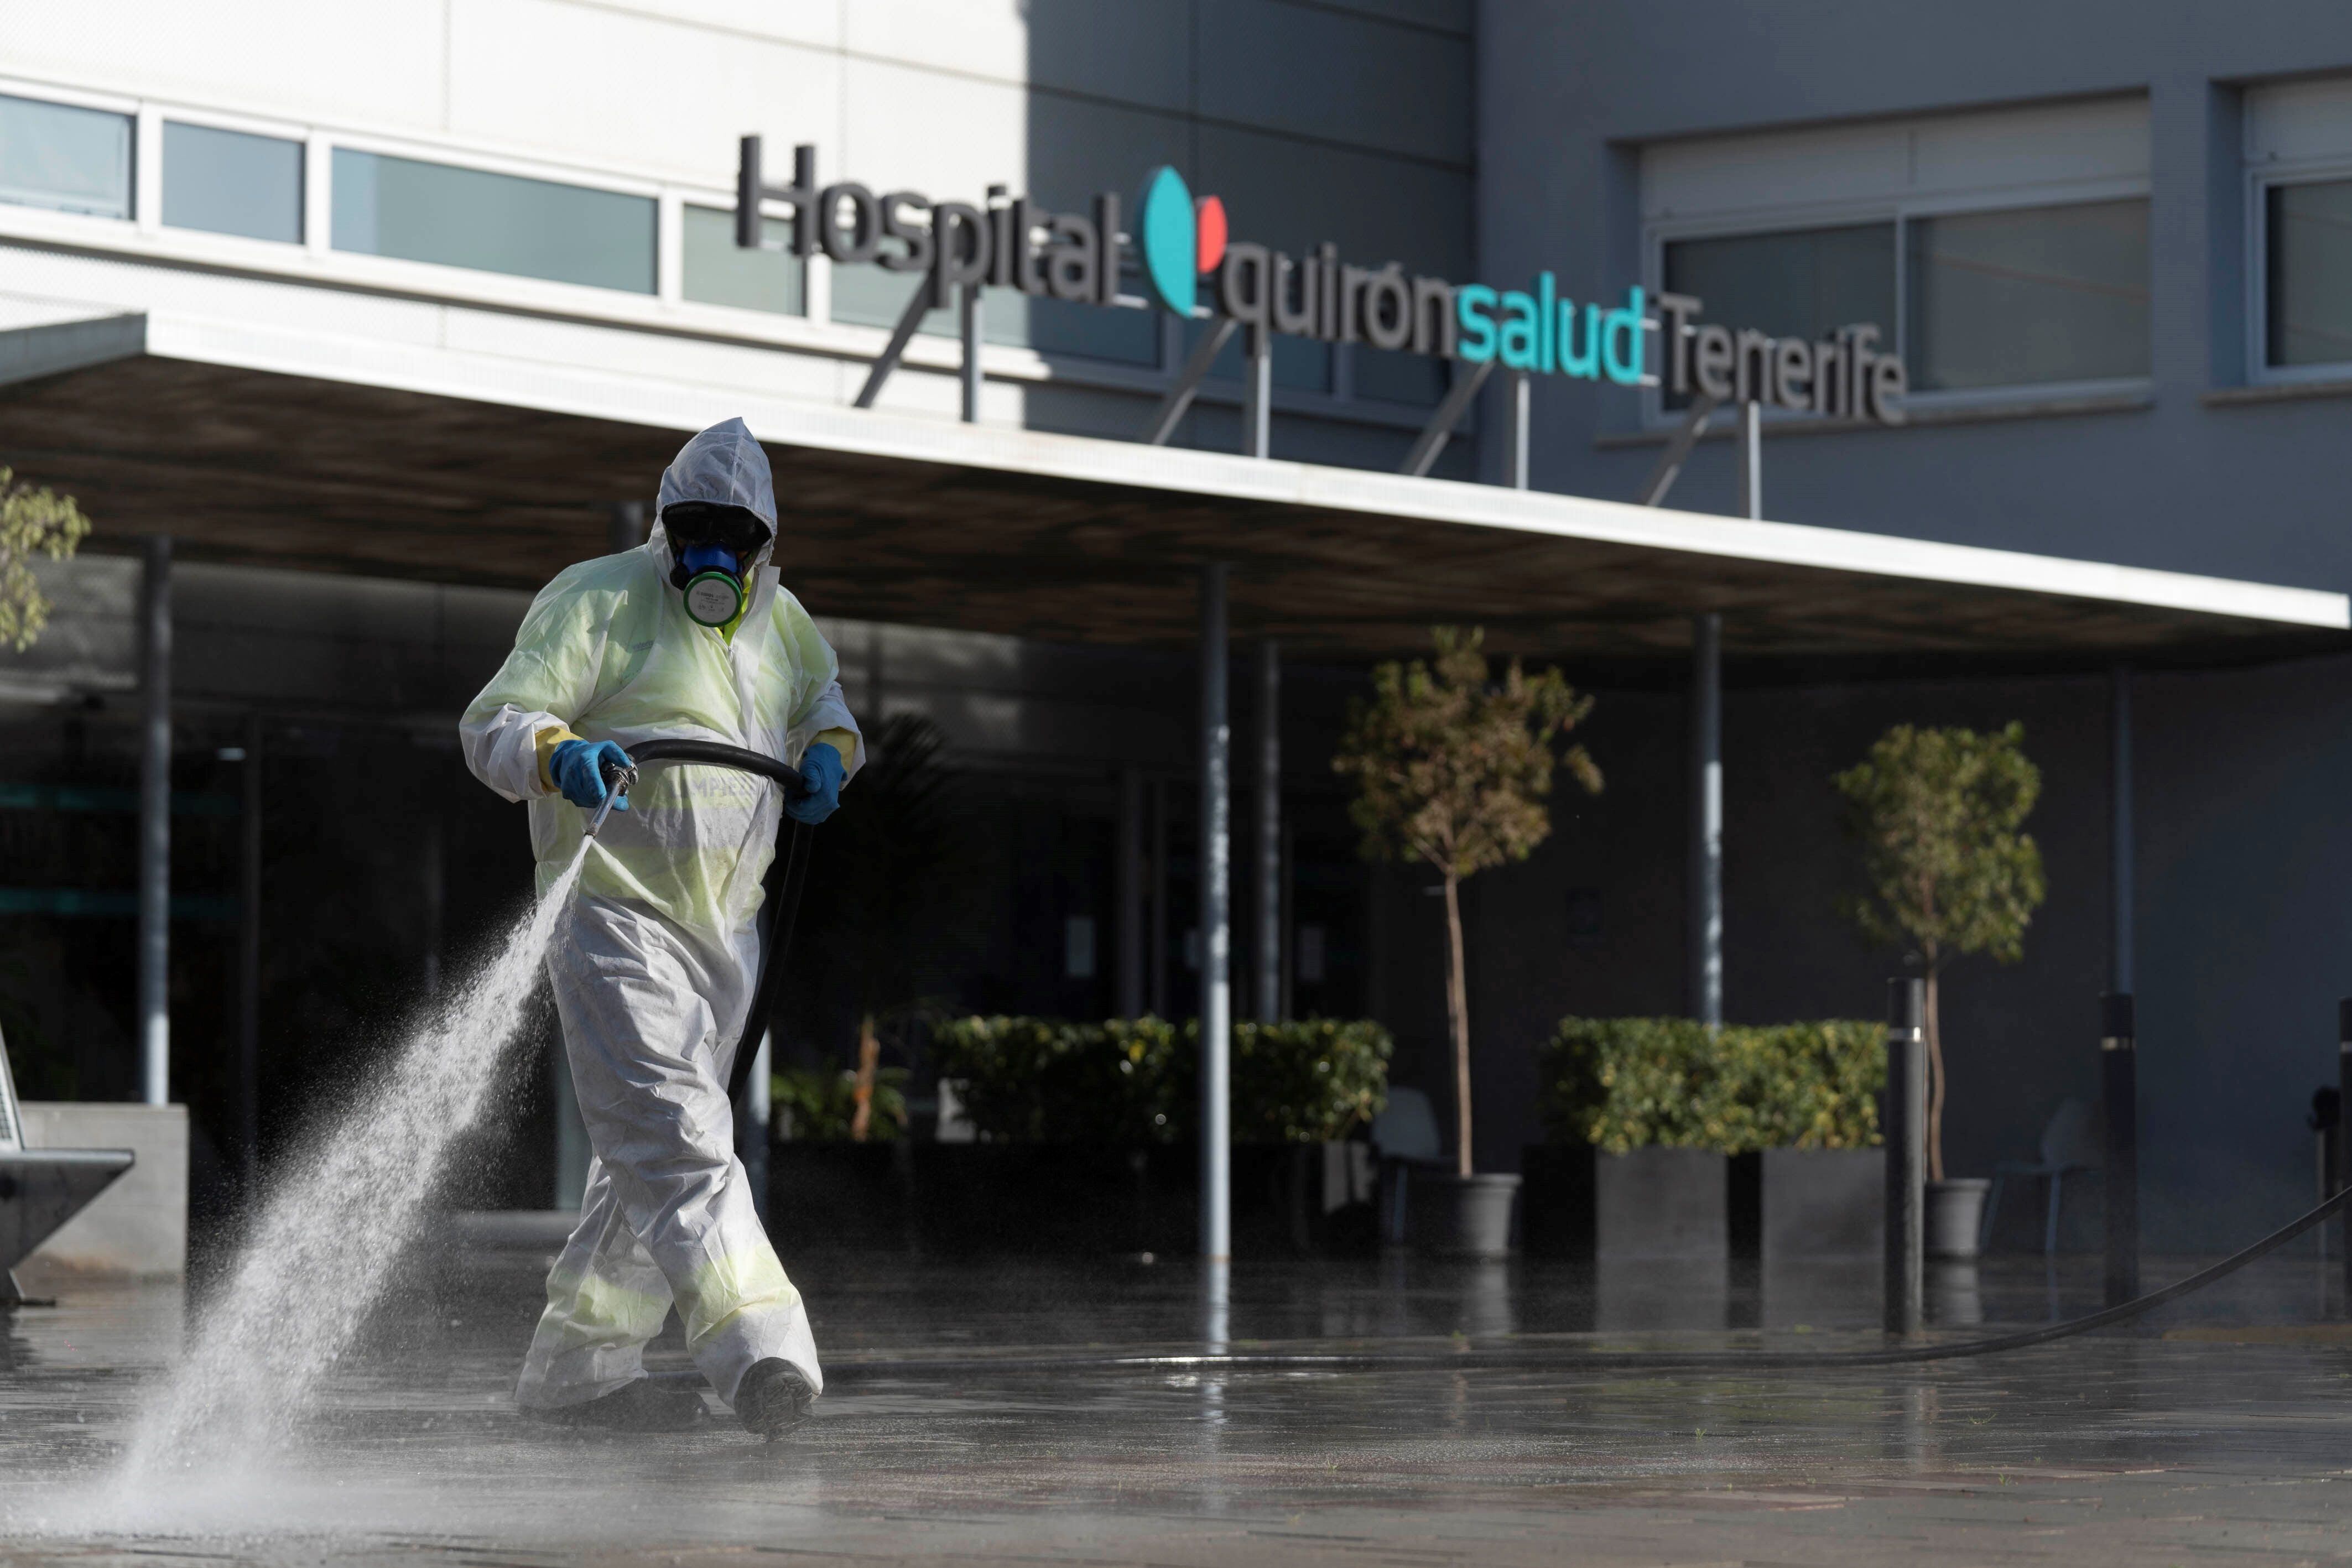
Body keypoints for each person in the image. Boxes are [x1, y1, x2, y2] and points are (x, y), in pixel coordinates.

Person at [460, 418, 860, 1436]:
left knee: (649, 1153)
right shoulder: (595, 597)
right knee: (679, 1140)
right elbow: (494, 722)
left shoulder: (786, 625)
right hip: (613, 917)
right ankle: (762, 1350)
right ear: (664, 527)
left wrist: (830, 757)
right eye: (695, 533)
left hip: (730, 929)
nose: (711, 558)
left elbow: (828, 708)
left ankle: (577, 1373)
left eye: (734, 538)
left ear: (766, 548)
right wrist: (556, 753)